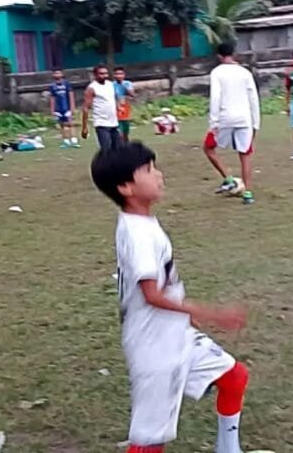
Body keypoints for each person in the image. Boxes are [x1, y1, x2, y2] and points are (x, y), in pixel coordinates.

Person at [91, 142, 250, 453]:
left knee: (234, 377)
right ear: (125, 187)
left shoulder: (141, 223)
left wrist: (184, 316)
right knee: (150, 440)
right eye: (149, 171)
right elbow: (151, 294)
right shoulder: (138, 234)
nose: (159, 175)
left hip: (174, 333)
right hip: (154, 347)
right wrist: (210, 313)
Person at [204, 43, 261, 205]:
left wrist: (213, 122)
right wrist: (256, 123)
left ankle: (229, 179)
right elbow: (253, 98)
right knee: (245, 154)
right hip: (244, 118)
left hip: (224, 117)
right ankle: (248, 194)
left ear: (219, 56)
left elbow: (215, 97)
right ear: (233, 54)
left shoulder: (217, 72)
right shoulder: (245, 72)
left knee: (208, 148)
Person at [82, 64, 121, 150]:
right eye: (101, 73)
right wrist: (84, 127)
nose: (104, 76)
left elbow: (114, 98)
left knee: (119, 150)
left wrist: (118, 107)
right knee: (106, 150)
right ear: (95, 75)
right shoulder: (92, 88)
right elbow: (86, 108)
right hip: (101, 124)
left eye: (106, 73)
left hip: (114, 123)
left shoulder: (110, 85)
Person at [49, 69, 80, 148]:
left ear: (62, 74)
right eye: (55, 73)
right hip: (58, 109)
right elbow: (52, 98)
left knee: (70, 124)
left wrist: (72, 107)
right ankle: (66, 141)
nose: (57, 74)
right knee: (62, 125)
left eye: (59, 73)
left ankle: (74, 141)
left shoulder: (66, 84)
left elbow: (71, 95)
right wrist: (52, 110)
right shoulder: (52, 86)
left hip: (67, 108)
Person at [114, 67, 136, 143]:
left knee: (126, 128)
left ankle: (126, 143)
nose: (119, 76)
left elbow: (132, 95)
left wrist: (123, 85)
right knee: (119, 129)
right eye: (117, 74)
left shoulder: (127, 83)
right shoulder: (112, 85)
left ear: (124, 75)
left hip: (125, 106)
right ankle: (120, 143)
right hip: (116, 107)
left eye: (120, 74)